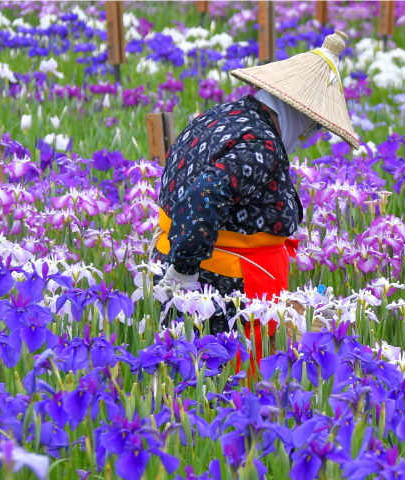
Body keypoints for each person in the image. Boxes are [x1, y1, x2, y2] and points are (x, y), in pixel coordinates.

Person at [152, 31, 361, 370]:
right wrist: (185, 269)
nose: (309, 136)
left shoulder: (221, 115)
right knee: (219, 391)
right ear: (300, 115)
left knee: (184, 388)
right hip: (216, 293)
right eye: (313, 128)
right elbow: (204, 192)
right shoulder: (262, 144)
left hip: (183, 268)